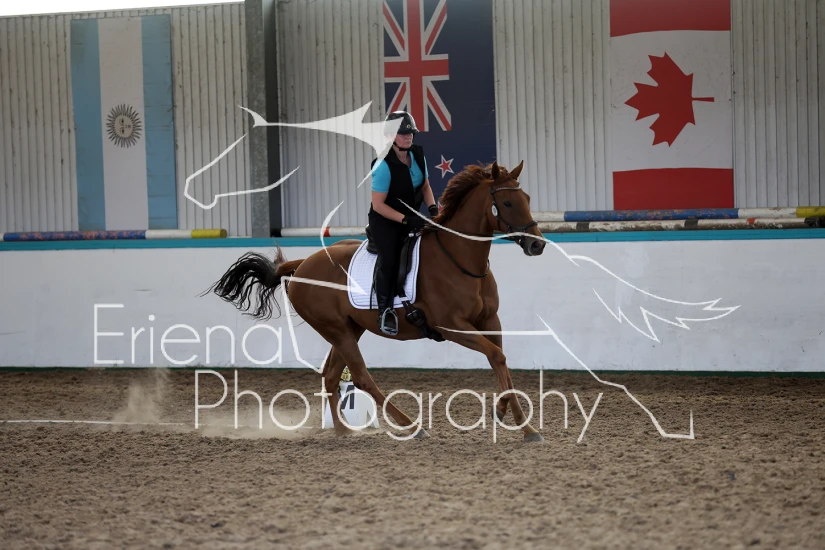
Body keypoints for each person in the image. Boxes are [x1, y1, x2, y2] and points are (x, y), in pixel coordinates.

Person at [368, 111, 439, 336]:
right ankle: (385, 311)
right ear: (390, 136)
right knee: (389, 259)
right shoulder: (382, 165)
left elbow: (425, 186)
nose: (408, 137)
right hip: (385, 221)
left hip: (411, 217)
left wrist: (433, 209)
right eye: (403, 133)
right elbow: (378, 205)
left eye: (411, 133)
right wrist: (406, 219)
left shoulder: (417, 155)